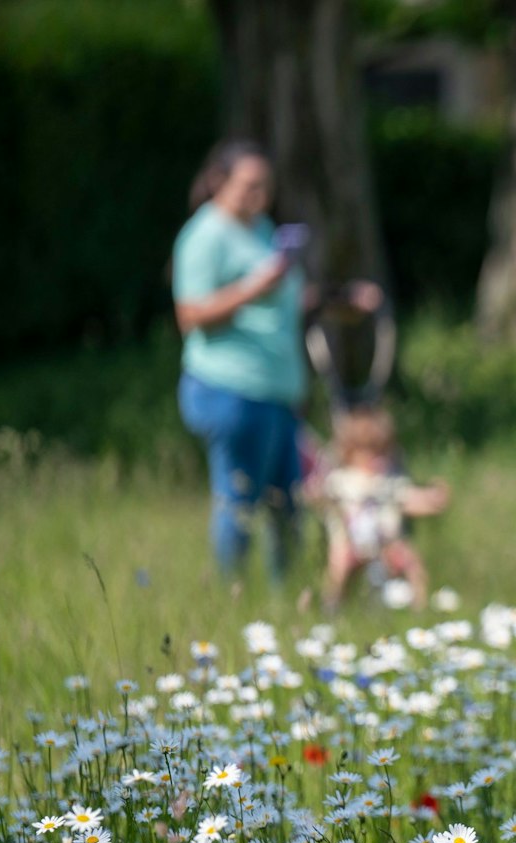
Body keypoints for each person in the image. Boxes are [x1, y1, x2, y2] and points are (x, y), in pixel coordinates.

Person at [171, 140, 379, 588]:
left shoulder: (262, 229)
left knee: (289, 503)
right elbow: (190, 314)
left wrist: (339, 299)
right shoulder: (204, 236)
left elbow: (289, 300)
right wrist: (254, 288)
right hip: (230, 389)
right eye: (249, 185)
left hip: (276, 393)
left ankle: (283, 597)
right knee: (240, 499)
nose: (259, 195)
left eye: (265, 186)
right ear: (217, 182)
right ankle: (230, 593)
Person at [307, 405, 450, 610]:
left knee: (413, 564)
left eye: (383, 451)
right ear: (350, 452)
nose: (378, 458)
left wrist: (432, 499)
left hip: (386, 544)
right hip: (351, 542)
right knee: (338, 566)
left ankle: (420, 607)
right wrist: (315, 495)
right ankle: (331, 606)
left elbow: (409, 499)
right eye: (370, 451)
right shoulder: (342, 480)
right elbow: (323, 496)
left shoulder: (388, 482)